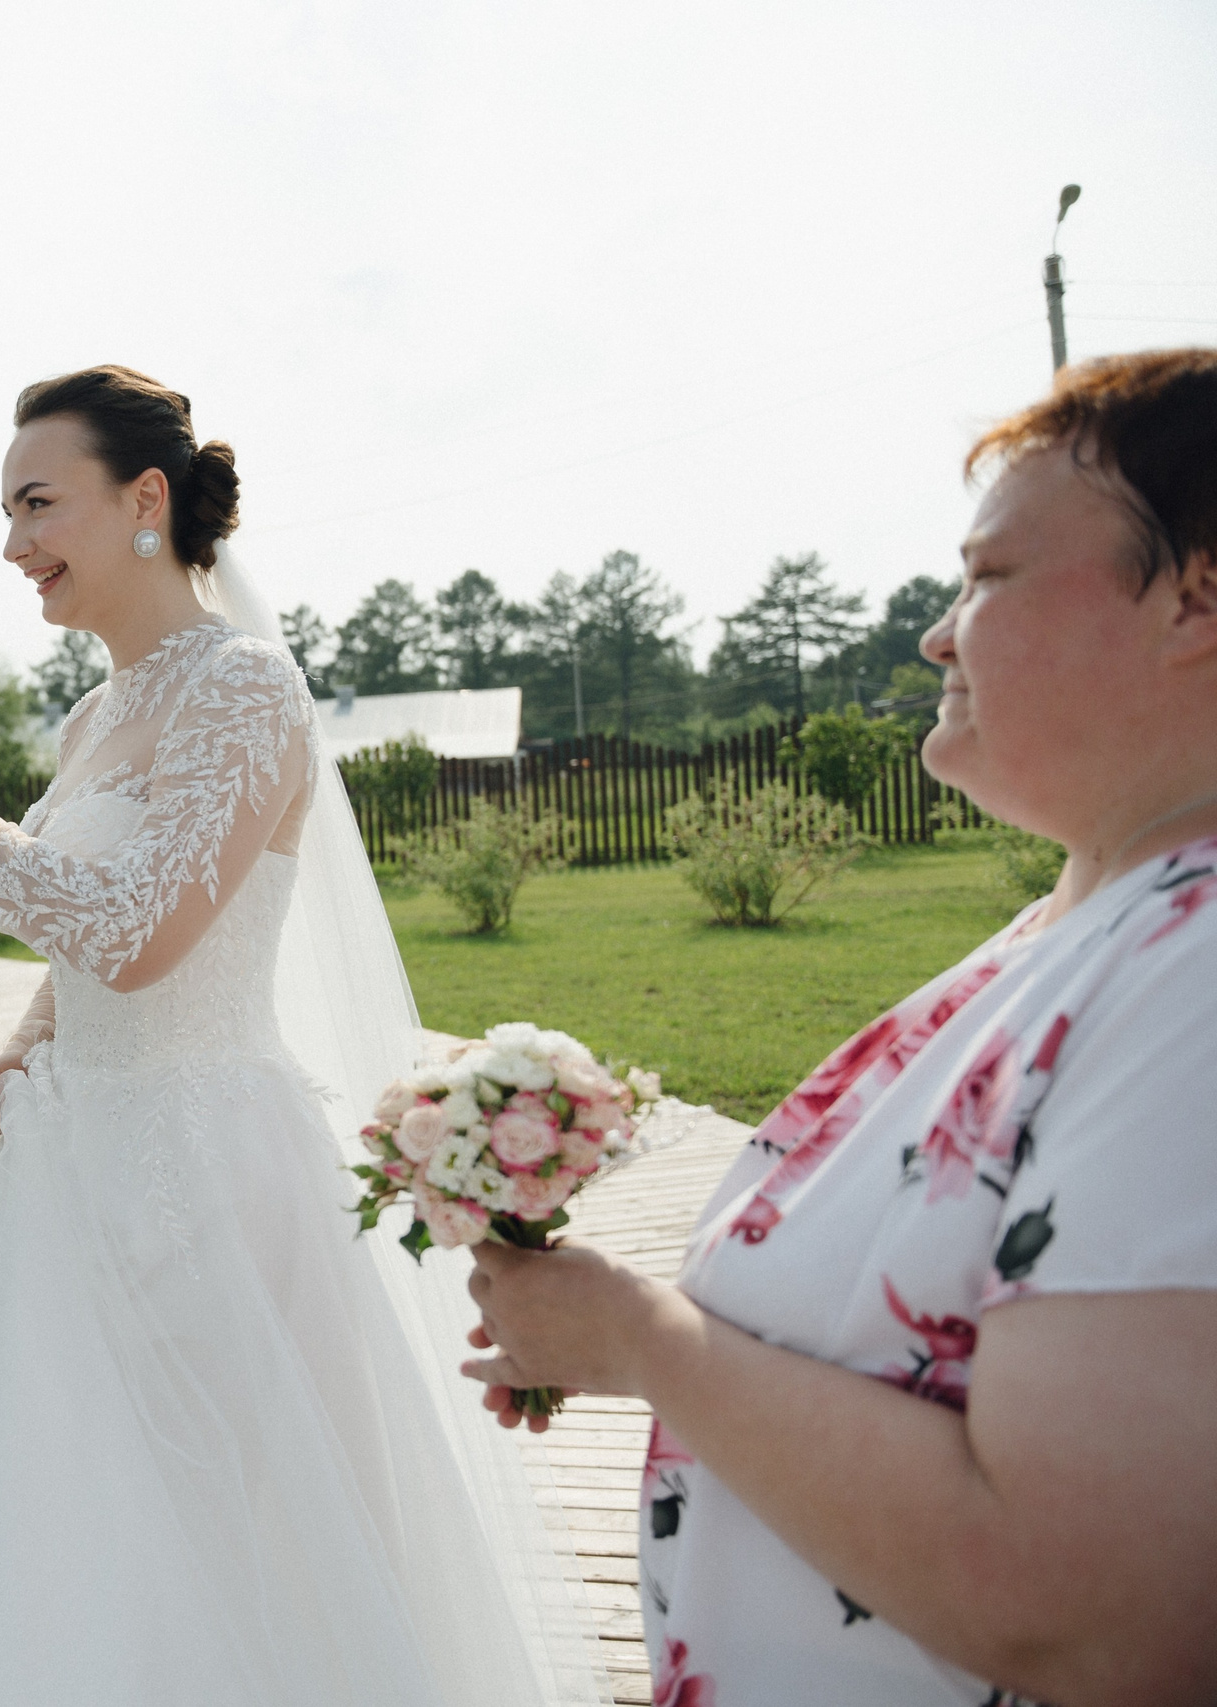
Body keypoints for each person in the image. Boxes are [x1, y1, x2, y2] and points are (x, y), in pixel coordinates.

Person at [0, 367, 606, 1705]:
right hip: (62, 1169)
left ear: (144, 501)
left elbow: (140, 928)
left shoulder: (244, 688)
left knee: (216, 1561)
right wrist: (26, 1036)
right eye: (7, 513)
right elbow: (91, 931)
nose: (14, 544)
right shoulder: (97, 713)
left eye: (36, 504)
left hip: (206, 1184)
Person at [459, 347, 1217, 1707]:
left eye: (989, 576)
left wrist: (640, 1339)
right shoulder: (1090, 921)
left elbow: (1090, 1615)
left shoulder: (1201, 973)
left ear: (1197, 598)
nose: (938, 635)